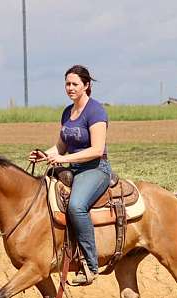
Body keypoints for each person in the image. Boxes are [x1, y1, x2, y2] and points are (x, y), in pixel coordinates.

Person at [29, 65, 111, 286]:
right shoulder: (67, 112)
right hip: (72, 168)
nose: (70, 88)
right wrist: (44, 155)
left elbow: (96, 149)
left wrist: (64, 160)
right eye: (67, 84)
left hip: (95, 169)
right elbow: (60, 147)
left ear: (86, 85)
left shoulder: (96, 111)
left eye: (75, 84)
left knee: (76, 205)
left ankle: (90, 265)